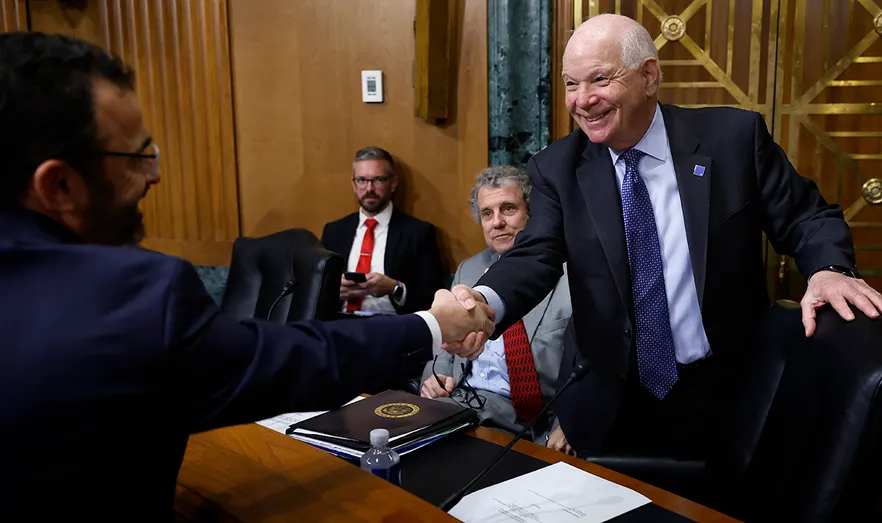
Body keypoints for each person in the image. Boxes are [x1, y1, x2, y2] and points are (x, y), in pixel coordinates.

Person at [0, 32, 492, 520]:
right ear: (59, 185)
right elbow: (287, 361)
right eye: (137, 157)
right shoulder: (128, 296)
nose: (154, 177)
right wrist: (433, 325)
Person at [444, 14, 882, 458]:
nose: (582, 100)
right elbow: (536, 255)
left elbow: (806, 217)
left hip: (724, 392)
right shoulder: (556, 168)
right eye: (570, 84)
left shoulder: (732, 139)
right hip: (607, 400)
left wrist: (829, 270)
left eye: (599, 79)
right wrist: (485, 302)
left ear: (649, 76)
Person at [420, 166, 574, 453]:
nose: (497, 222)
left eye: (508, 208)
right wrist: (435, 376)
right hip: (459, 404)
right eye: (487, 214)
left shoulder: (571, 277)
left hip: (531, 424)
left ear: (533, 214)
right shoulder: (469, 269)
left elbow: (597, 360)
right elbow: (443, 343)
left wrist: (573, 421)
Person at [321, 146, 445, 315]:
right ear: (353, 184)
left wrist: (395, 288)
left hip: (393, 327)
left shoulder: (418, 233)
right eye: (362, 180)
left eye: (378, 180)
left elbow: (432, 297)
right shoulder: (334, 232)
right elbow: (315, 291)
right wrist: (333, 290)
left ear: (393, 183)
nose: (369, 188)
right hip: (340, 324)